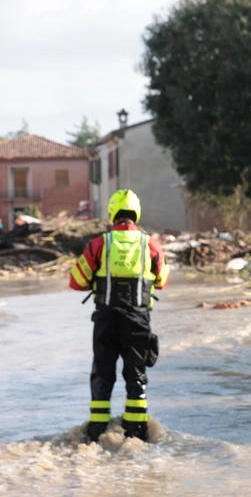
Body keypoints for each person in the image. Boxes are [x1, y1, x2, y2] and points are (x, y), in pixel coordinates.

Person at [69, 189, 170, 442]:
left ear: (113, 212)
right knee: (135, 376)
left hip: (106, 321)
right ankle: (135, 435)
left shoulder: (100, 244)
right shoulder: (151, 246)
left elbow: (76, 281)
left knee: (103, 374)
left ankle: (96, 434)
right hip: (138, 320)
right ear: (136, 213)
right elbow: (162, 281)